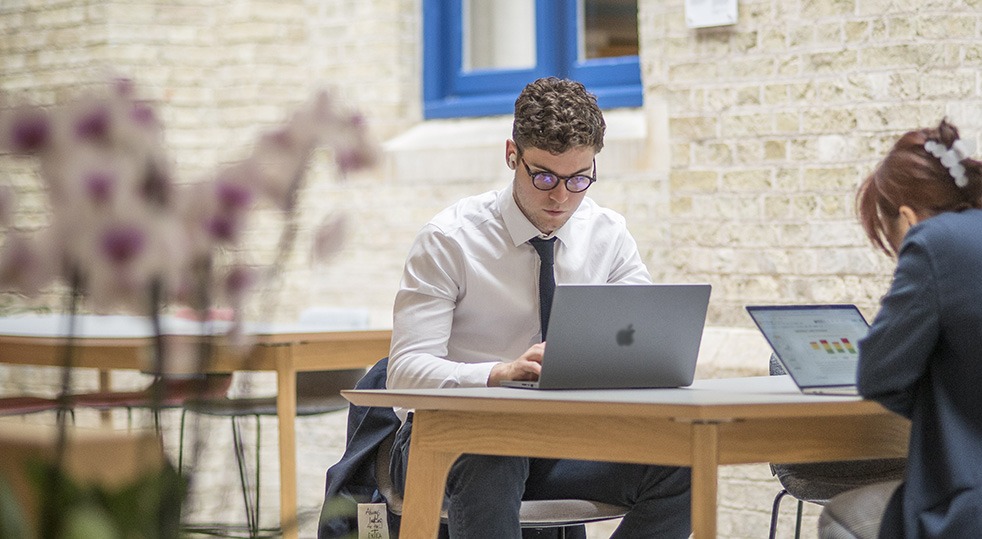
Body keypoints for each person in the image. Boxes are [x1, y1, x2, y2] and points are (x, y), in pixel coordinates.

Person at [385, 77, 691, 538]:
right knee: (495, 453)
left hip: (560, 439)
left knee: (684, 464)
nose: (561, 197)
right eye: (544, 176)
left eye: (579, 179)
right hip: (453, 439)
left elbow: (642, 344)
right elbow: (404, 372)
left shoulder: (607, 234)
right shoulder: (449, 240)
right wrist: (497, 373)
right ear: (512, 155)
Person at [818, 119, 982, 538]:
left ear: (907, 219)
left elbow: (877, 375)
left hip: (971, 507)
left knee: (843, 518)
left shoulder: (933, 242)